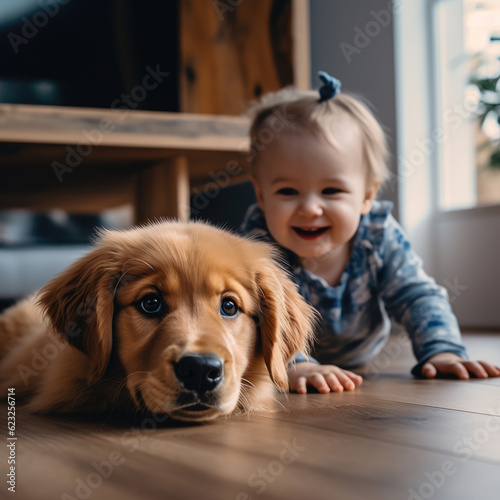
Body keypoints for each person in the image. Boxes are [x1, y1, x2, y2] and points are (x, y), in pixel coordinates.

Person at [240, 71, 500, 394]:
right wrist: (296, 364)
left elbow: (416, 295)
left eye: (331, 190)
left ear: (366, 196)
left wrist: (442, 350)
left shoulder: (377, 235)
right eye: (288, 191)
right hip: (286, 360)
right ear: (261, 196)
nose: (309, 208)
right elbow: (255, 320)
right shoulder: (258, 244)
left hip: (363, 356)